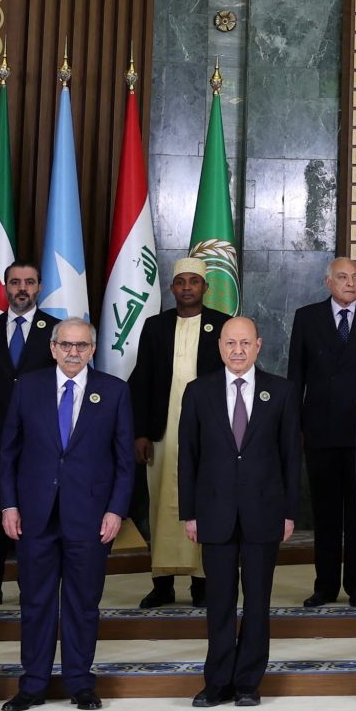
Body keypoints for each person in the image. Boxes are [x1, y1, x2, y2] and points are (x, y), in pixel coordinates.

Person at [0, 319, 135, 711]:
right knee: (36, 603)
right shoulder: (28, 387)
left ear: (93, 349)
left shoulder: (114, 392)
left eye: (82, 345)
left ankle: (80, 682)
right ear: (53, 348)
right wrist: (8, 505)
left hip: (91, 518)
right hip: (34, 516)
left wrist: (116, 510)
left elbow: (126, 462)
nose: (73, 352)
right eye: (66, 345)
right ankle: (33, 684)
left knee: (82, 604)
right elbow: (8, 452)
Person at [178, 316, 299, 707]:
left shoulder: (280, 392)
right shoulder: (199, 392)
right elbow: (188, 457)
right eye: (231, 343)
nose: (238, 351)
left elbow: (290, 458)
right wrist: (189, 512)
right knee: (220, 601)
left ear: (259, 346)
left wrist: (289, 512)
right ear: (220, 347)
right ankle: (217, 682)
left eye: (245, 343)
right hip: (214, 512)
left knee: (258, 601)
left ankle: (248, 681)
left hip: (265, 512)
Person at [288, 256, 356, 607]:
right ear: (328, 282)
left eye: (355, 277)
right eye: (343, 277)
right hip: (319, 432)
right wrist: (295, 428)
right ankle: (324, 587)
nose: (350, 282)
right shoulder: (307, 318)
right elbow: (295, 378)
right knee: (326, 514)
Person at [132, 258, 229, 608]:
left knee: (205, 502)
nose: (187, 287)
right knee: (160, 503)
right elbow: (141, 380)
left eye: (194, 281)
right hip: (162, 431)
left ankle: (202, 583)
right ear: (172, 288)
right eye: (180, 282)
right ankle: (162, 583)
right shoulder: (155, 326)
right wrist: (141, 432)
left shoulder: (223, 325)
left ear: (206, 288)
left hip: (210, 433)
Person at [0, 262, 56, 605]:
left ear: (40, 287)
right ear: (5, 287)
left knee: (36, 518)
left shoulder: (58, 333)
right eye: (15, 282)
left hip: (41, 445)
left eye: (29, 282)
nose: (22, 288)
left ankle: (34, 591)